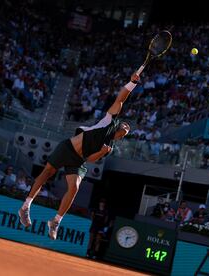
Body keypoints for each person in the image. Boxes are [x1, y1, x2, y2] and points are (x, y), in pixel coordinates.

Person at [19, 73, 140, 239]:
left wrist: (102, 152)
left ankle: (55, 221)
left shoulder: (109, 146)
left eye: (127, 130)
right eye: (125, 125)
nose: (126, 127)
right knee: (47, 172)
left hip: (79, 161)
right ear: (119, 126)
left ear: (123, 136)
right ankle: (26, 206)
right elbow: (121, 98)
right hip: (68, 148)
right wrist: (132, 83)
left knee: (74, 188)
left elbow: (91, 160)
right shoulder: (109, 121)